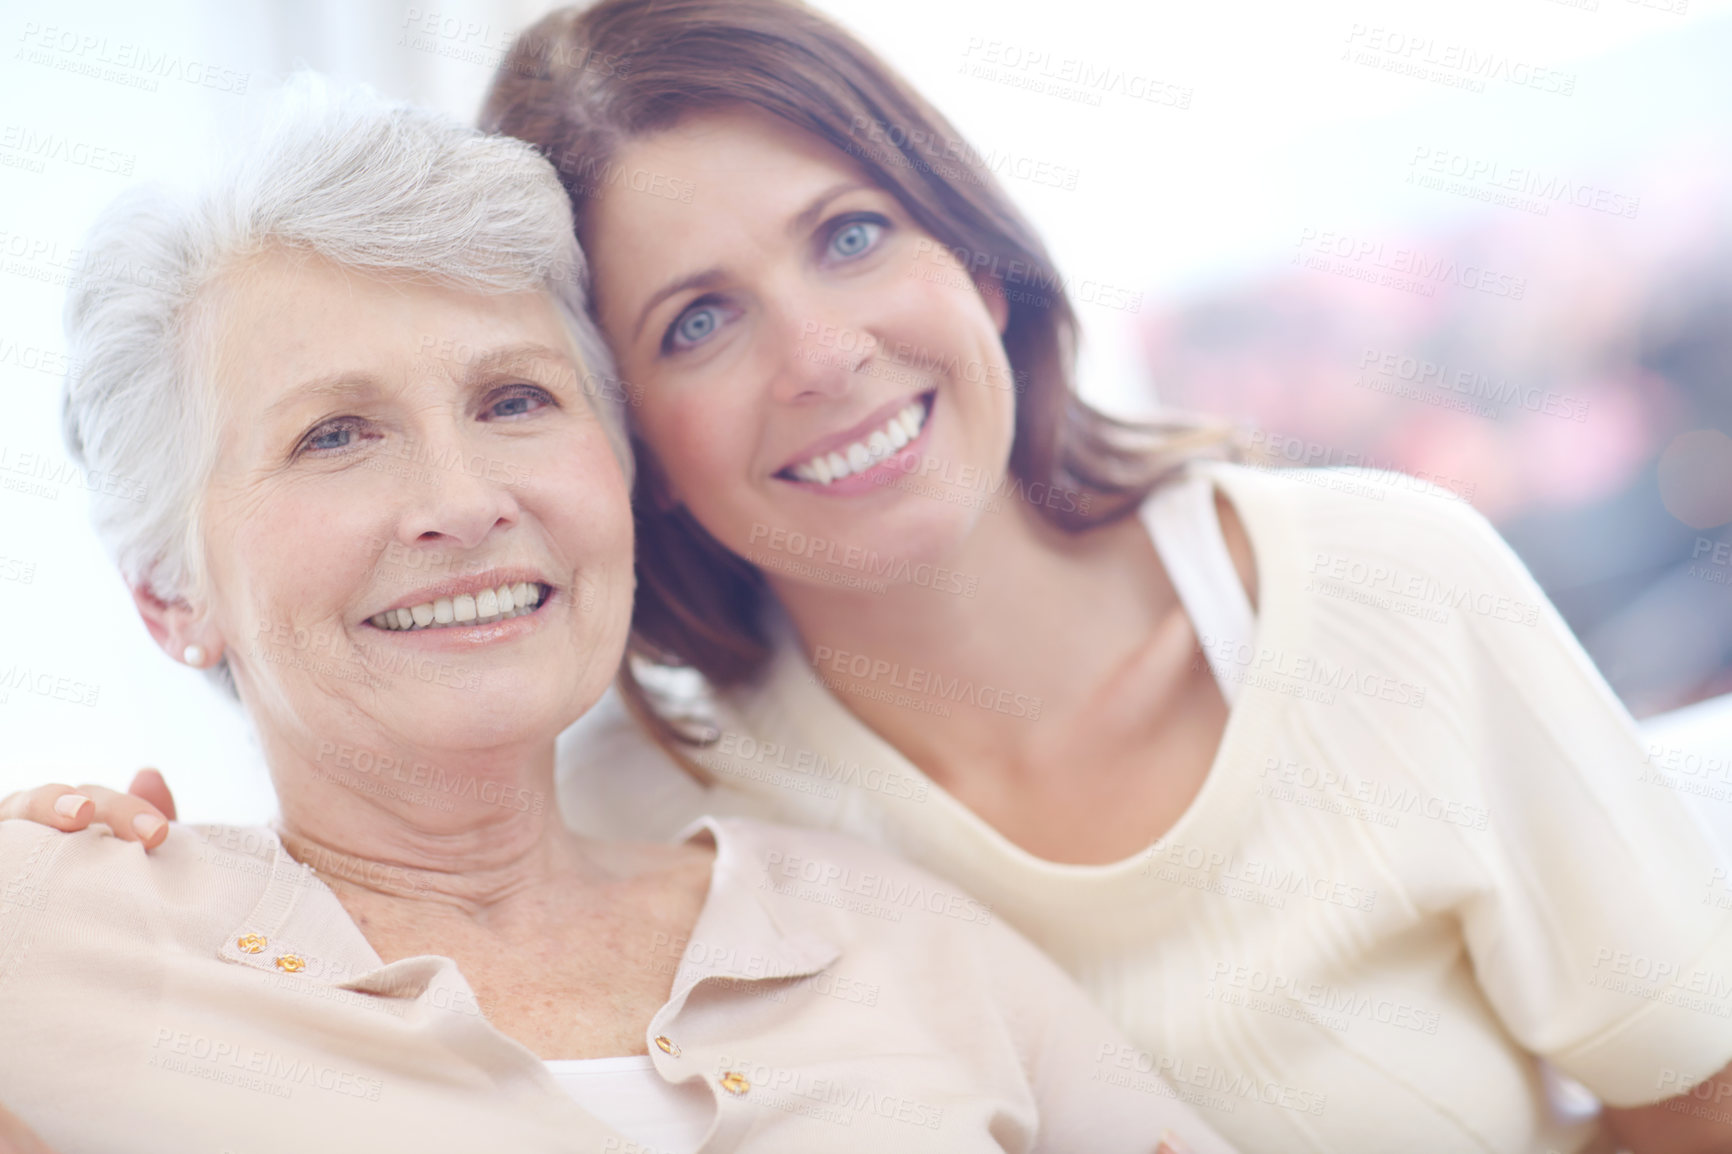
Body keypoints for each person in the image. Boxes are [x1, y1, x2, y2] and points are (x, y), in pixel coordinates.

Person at [12, 0, 1732, 1149]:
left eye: (849, 233)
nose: (824, 353)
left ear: (975, 254)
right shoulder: (616, 789)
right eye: (697, 319)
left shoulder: (879, 926)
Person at [0, 78, 1233, 1154]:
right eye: (336, 434)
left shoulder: (883, 926)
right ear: (170, 593)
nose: (463, 501)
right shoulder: (53, 927)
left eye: (516, 399)